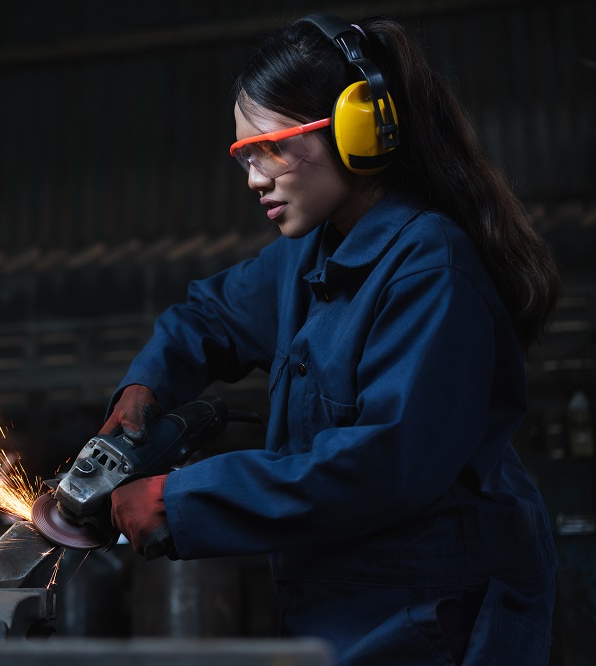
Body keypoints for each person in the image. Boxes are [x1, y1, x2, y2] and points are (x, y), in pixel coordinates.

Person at [102, 13, 560, 666]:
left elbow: (382, 463)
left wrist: (180, 502)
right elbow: (210, 316)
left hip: (437, 611)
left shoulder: (431, 268)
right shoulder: (309, 253)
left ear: (361, 133)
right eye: (244, 156)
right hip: (349, 607)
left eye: (273, 148)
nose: (255, 178)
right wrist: (143, 388)